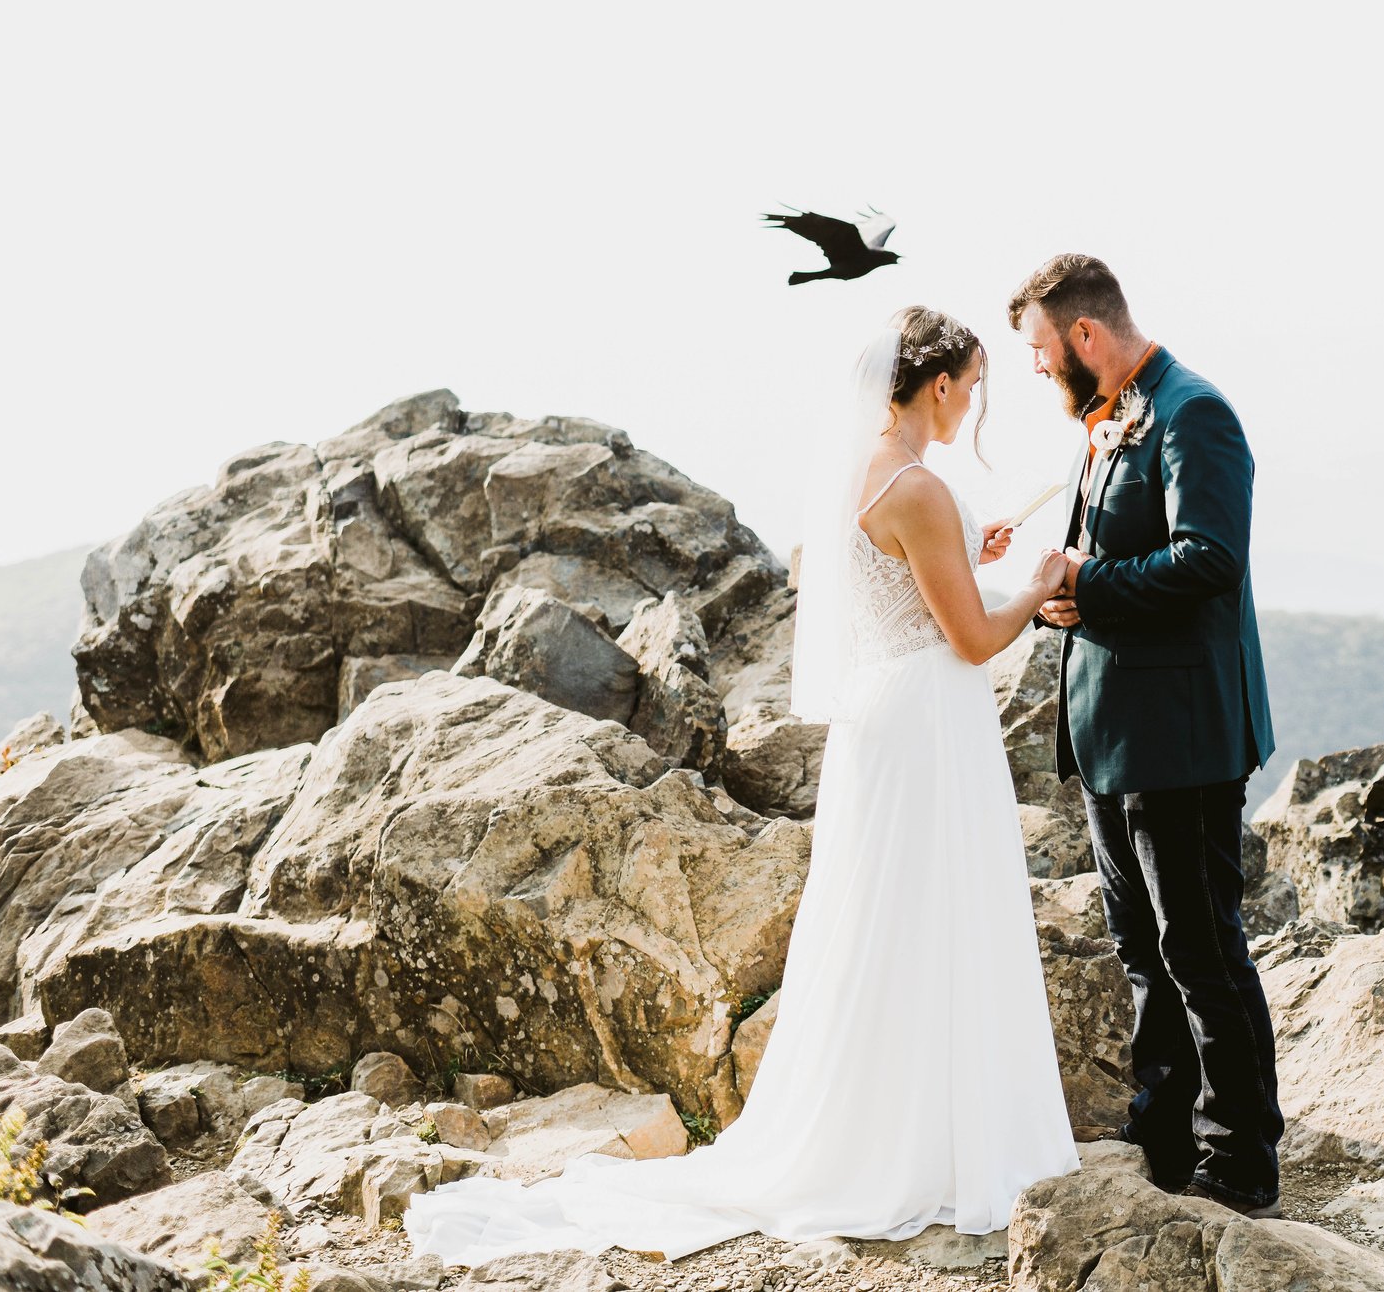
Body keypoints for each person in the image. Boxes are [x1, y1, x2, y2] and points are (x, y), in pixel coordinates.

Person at [405, 307, 1079, 1264]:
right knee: (939, 917)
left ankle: (907, 1130)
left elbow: (911, 582)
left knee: (893, 924)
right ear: (937, 384)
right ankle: (935, 1144)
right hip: (929, 718)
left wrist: (978, 556)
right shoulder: (922, 486)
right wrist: (1039, 580)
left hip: (888, 720)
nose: (974, 401)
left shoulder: (870, 469)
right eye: (971, 383)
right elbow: (969, 636)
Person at [1008, 253, 1285, 1217]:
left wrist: (1085, 587)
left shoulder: (1192, 412)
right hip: (1108, 734)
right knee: (1140, 947)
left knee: (1201, 948)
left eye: (1043, 352)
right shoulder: (1107, 417)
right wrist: (1056, 590)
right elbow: (1110, 555)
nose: (1039, 371)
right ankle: (1161, 1129)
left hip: (1180, 735)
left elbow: (1209, 559)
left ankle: (1240, 1154)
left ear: (1086, 336)